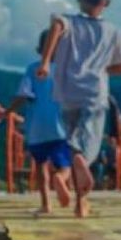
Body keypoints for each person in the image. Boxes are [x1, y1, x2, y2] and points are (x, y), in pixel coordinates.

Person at [37, 0, 121, 217]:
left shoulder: (66, 21)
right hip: (94, 95)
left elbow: (56, 26)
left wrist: (46, 62)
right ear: (106, 3)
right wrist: (99, 68)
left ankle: (74, 192)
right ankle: (81, 199)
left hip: (67, 94)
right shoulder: (114, 31)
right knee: (87, 150)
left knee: (73, 143)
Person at [4, 30, 73, 214]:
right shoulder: (65, 70)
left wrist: (7, 112)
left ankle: (46, 205)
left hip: (36, 129)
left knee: (40, 166)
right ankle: (60, 178)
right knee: (66, 165)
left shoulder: (32, 69)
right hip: (60, 128)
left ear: (38, 49)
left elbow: (23, 96)